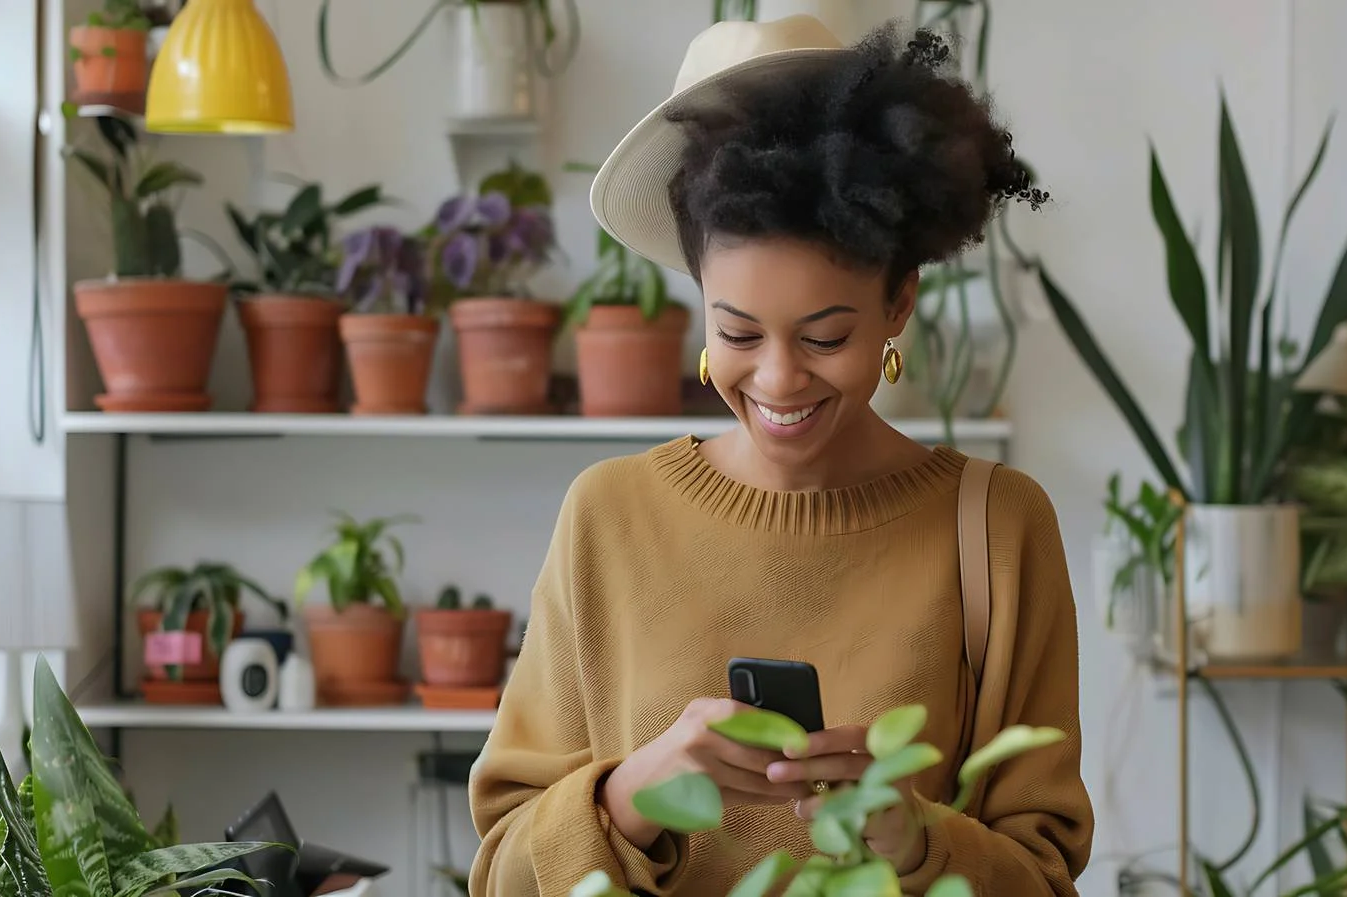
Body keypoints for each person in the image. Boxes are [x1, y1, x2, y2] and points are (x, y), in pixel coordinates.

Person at [468, 14, 1093, 897]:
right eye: (738, 331)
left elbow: (1043, 880)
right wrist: (630, 796)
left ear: (899, 302)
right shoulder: (607, 516)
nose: (777, 378)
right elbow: (501, 873)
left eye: (825, 334)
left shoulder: (996, 527)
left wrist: (913, 838)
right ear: (699, 298)